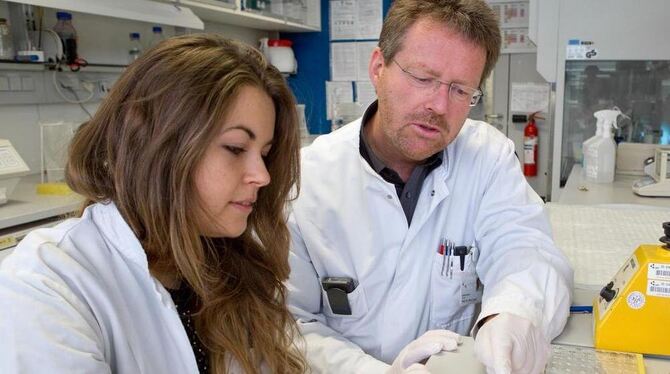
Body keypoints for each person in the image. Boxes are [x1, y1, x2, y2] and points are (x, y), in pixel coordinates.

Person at [286, 1, 573, 373]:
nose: (438, 105)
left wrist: (515, 313)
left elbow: (525, 249)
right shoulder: (307, 180)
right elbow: (288, 323)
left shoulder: (487, 157)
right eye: (423, 78)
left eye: (460, 90)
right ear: (379, 68)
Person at [0, 34, 306, 374]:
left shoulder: (227, 266)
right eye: (235, 148)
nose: (261, 176)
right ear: (156, 146)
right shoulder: (49, 283)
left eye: (264, 154)